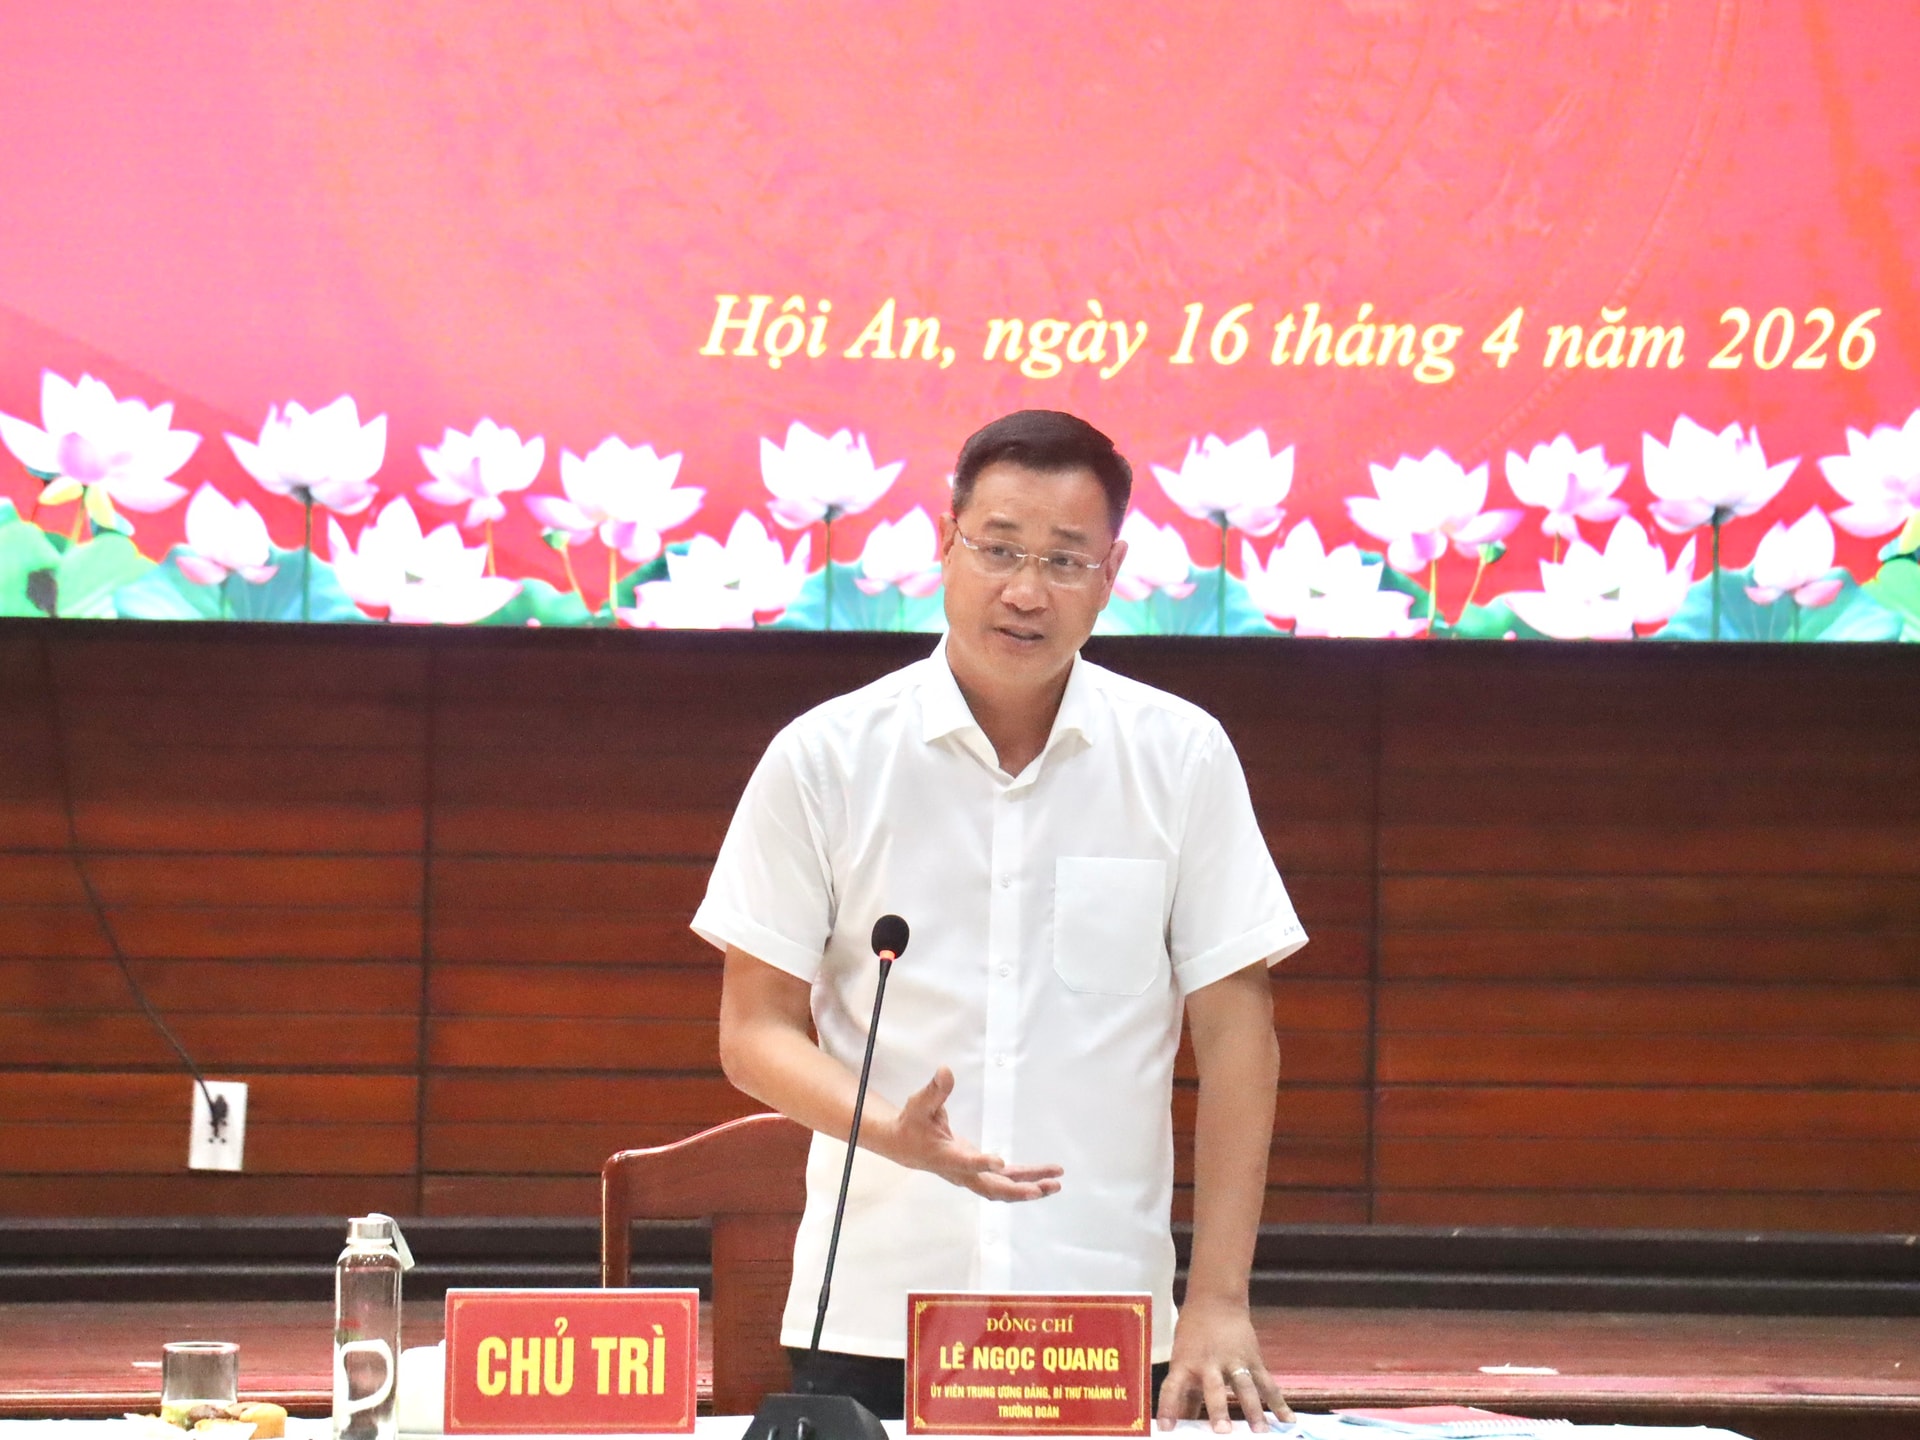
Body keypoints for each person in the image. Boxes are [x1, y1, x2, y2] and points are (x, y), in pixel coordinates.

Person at [696, 409, 1306, 1432]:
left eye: (1065, 560)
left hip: (1106, 1314)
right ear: (947, 544)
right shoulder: (826, 758)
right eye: (1000, 549)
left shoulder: (1182, 757)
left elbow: (1239, 1034)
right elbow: (752, 1031)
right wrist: (890, 1132)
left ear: (1111, 574)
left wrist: (1218, 1300)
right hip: (876, 1308)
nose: (1027, 590)